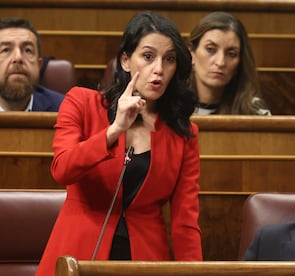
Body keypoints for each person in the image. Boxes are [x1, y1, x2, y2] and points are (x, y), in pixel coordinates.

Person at [37, 11, 202, 275]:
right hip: (78, 252)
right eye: (148, 57)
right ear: (125, 60)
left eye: (169, 59)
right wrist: (114, 131)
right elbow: (62, 169)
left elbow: (185, 222)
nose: (158, 68)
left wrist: (195, 273)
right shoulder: (82, 102)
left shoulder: (183, 133)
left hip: (146, 260)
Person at [188, 11, 271, 115]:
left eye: (231, 54)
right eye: (210, 49)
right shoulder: (169, 106)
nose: (220, 62)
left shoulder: (255, 111)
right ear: (191, 54)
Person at [0, 17, 64, 111]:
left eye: (27, 50)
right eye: (6, 50)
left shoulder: (64, 109)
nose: (18, 57)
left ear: (39, 65)